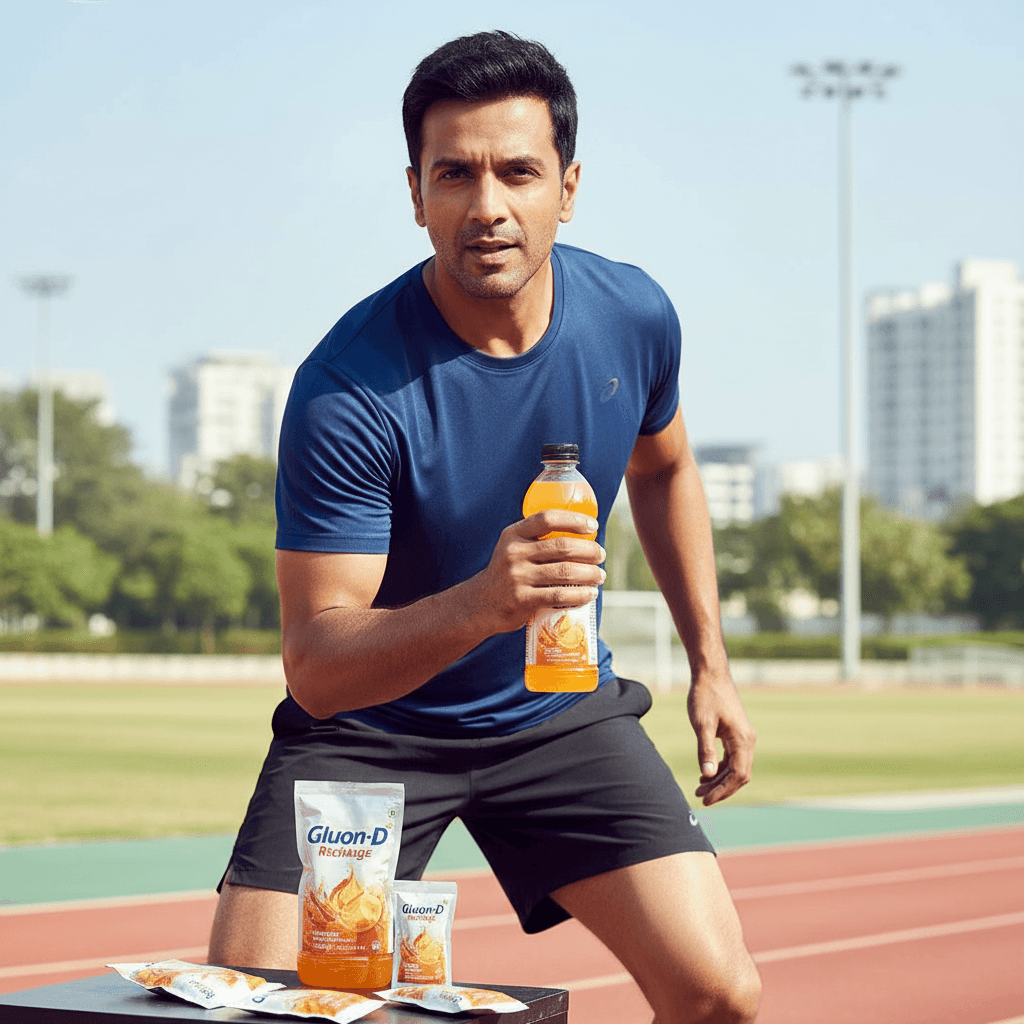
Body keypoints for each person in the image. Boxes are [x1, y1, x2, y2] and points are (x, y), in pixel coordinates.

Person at [208, 30, 761, 1024]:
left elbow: (666, 465)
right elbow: (319, 666)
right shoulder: (347, 388)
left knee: (720, 995)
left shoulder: (631, 316)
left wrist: (709, 664)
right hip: (368, 736)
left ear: (570, 185)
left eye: (518, 171)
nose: (488, 205)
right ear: (415, 194)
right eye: (453, 174)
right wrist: (479, 604)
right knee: (252, 1013)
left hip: (554, 715)